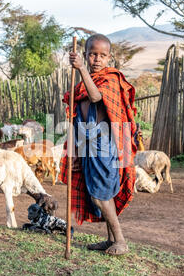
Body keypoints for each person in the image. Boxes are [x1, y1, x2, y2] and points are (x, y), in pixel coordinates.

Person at [59, 34, 138, 255]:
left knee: (100, 194)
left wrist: (82, 69)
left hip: (105, 144)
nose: (97, 59)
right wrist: (74, 153)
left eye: (102, 55)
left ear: (109, 58)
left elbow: (96, 98)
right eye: (92, 54)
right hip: (87, 143)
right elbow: (76, 121)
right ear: (85, 54)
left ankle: (120, 241)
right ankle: (111, 239)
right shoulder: (80, 88)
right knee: (98, 193)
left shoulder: (110, 80)